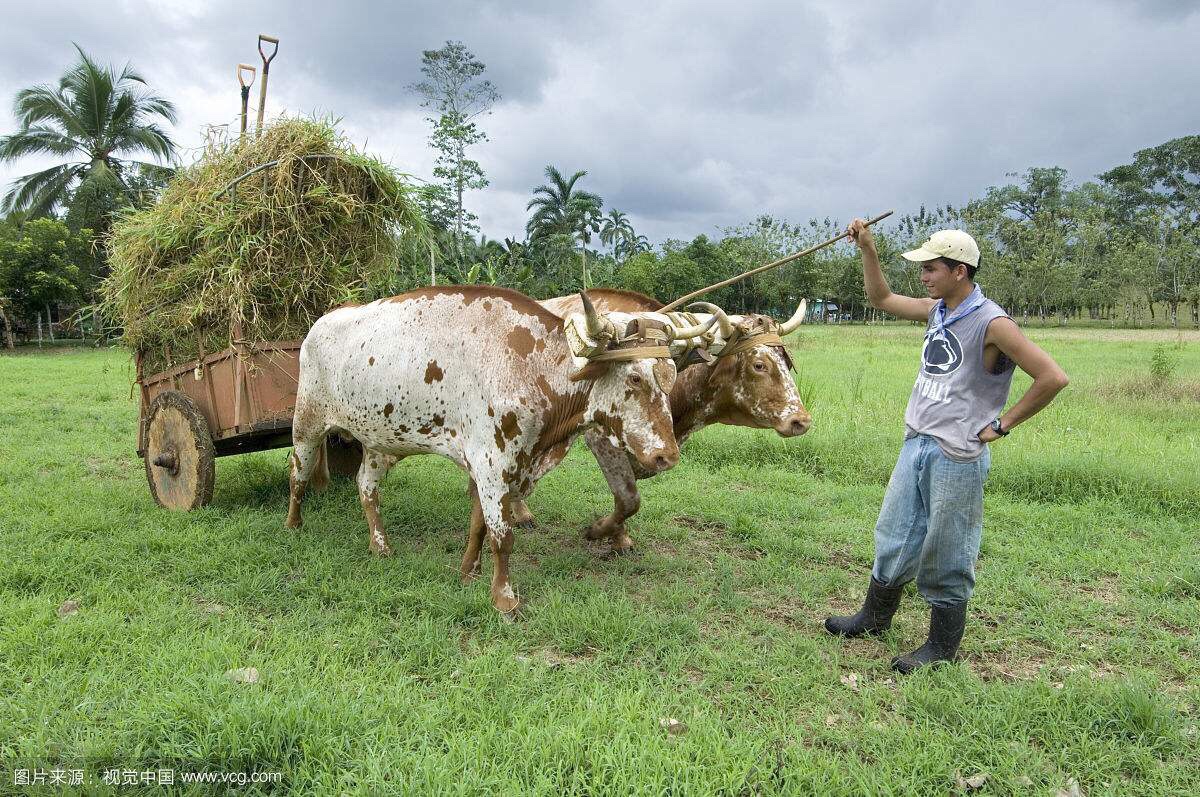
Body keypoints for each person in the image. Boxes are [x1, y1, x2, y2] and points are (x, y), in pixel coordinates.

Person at [824, 220, 1069, 673]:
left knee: (948, 547)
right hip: (917, 440)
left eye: (931, 268)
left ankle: (941, 647)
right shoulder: (938, 310)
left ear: (960, 271)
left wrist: (1004, 423)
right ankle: (875, 618)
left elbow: (1053, 377)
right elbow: (881, 299)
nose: (923, 277)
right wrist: (868, 250)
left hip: (958, 453)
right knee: (894, 531)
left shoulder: (992, 322)